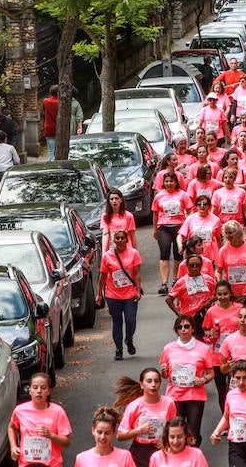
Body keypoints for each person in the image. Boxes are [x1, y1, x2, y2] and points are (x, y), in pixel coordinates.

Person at [159, 314, 212, 446]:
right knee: (177, 430)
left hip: (195, 396)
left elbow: (211, 373)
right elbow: (165, 376)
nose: (183, 329)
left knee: (193, 431)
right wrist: (164, 371)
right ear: (176, 330)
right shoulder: (168, 348)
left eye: (186, 326)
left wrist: (203, 380)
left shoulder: (203, 348)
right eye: (179, 327)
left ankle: (194, 455)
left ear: (193, 328)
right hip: (175, 395)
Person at [115, 367, 177, 467]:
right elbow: (120, 435)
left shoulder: (169, 403)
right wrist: (139, 430)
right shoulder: (134, 406)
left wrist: (166, 440)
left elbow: (174, 428)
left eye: (156, 381)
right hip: (140, 451)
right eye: (149, 381)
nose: (153, 385)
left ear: (160, 384)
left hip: (161, 448)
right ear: (141, 385)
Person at [96, 229, 141, 360]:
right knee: (117, 322)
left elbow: (137, 274)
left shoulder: (134, 253)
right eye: (117, 238)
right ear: (113, 240)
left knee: (130, 320)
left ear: (127, 240)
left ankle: (128, 339)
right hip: (113, 294)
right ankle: (118, 349)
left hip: (130, 294)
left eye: (122, 238)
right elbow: (102, 277)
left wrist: (138, 290)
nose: (120, 240)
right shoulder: (107, 256)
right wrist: (99, 294)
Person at [8, 372, 71, 466]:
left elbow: (66, 442)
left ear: (49, 391)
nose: (39, 391)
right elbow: (12, 427)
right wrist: (13, 446)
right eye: (35, 387)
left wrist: (51, 435)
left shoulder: (58, 412)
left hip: (51, 464)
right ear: (30, 390)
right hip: (27, 464)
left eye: (43, 388)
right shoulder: (20, 410)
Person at [202, 281, 242, 411]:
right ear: (216, 295)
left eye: (225, 294)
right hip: (217, 357)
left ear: (230, 293)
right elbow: (206, 332)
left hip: (235, 356)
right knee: (222, 391)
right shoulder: (211, 312)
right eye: (219, 294)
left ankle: (236, 417)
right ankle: (226, 420)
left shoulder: (240, 308)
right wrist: (210, 333)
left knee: (233, 389)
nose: (223, 297)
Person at [151, 172, 193, 294]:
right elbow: (155, 214)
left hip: (179, 227)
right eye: (167, 181)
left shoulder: (182, 194)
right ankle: (164, 283)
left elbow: (190, 209)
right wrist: (155, 230)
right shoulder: (159, 196)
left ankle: (176, 280)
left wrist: (187, 223)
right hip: (164, 227)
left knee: (178, 254)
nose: (169, 183)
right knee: (164, 253)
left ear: (176, 182)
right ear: (163, 183)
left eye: (171, 181)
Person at [42, 84, 59, 161]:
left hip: (48, 128)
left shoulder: (46, 101)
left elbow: (44, 110)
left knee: (51, 151)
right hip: (59, 129)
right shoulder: (60, 103)